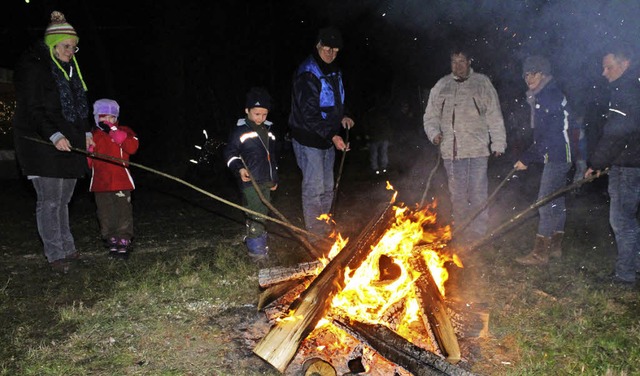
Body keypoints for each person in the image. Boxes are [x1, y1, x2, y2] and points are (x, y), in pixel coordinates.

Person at [12, 11, 94, 273]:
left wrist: (87, 133)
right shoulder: (35, 67)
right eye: (66, 46)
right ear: (53, 44)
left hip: (69, 144)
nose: (72, 51)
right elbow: (34, 108)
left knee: (64, 199)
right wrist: (54, 135)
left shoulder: (70, 71)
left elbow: (79, 107)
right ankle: (56, 254)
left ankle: (68, 248)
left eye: (74, 46)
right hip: (41, 144)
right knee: (49, 200)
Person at [423, 47, 506, 241]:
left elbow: (494, 115)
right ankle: (461, 230)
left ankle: (478, 231)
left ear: (469, 62)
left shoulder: (482, 83)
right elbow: (430, 115)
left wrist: (498, 142)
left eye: (461, 61)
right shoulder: (442, 85)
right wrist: (434, 133)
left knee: (477, 191)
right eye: (454, 62)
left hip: (477, 149)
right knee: (458, 194)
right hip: (451, 151)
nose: (457, 66)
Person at [289, 26, 354, 243]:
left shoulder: (334, 70)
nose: (331, 53)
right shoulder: (308, 73)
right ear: (318, 45)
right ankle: (315, 236)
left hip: (327, 137)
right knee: (314, 186)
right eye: (327, 48)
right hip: (309, 138)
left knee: (328, 186)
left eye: (335, 50)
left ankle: (325, 228)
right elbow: (309, 114)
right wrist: (333, 136)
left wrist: (344, 115)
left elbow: (337, 99)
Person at [586, 45, 640, 287]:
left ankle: (625, 275)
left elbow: (616, 132)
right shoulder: (633, 86)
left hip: (628, 164)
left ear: (624, 64)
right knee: (627, 218)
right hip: (630, 161)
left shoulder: (626, 89)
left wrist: (596, 162)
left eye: (609, 67)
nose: (604, 73)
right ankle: (634, 267)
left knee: (621, 219)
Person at [513, 56, 572, 266]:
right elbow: (544, 136)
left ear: (543, 74)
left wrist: (527, 158)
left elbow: (550, 135)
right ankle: (555, 247)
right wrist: (530, 156)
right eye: (526, 74)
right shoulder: (545, 94)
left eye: (534, 73)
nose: (529, 78)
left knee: (544, 202)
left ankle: (540, 254)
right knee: (556, 201)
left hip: (558, 155)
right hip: (559, 155)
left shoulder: (549, 96)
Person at [224, 87, 278, 259]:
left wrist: (275, 178)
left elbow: (272, 158)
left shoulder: (268, 132)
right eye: (256, 114)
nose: (260, 118)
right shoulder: (240, 131)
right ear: (247, 110)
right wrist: (239, 167)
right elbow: (230, 154)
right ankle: (256, 253)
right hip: (250, 182)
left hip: (266, 181)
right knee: (255, 215)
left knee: (263, 214)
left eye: (264, 114)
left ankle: (261, 246)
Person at [88, 99, 139, 256]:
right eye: (103, 117)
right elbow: (90, 162)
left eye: (111, 117)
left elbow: (133, 147)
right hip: (100, 184)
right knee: (105, 213)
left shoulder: (124, 131)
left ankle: (124, 239)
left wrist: (118, 135)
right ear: (97, 118)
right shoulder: (94, 135)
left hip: (120, 181)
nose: (108, 121)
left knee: (122, 211)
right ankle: (111, 240)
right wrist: (89, 151)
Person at [365, 106, 391, 175]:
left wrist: (388, 137)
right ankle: (376, 169)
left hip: (380, 138)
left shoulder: (383, 117)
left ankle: (382, 168)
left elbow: (387, 127)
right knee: (376, 154)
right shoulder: (370, 117)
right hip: (375, 138)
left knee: (381, 153)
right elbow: (367, 127)